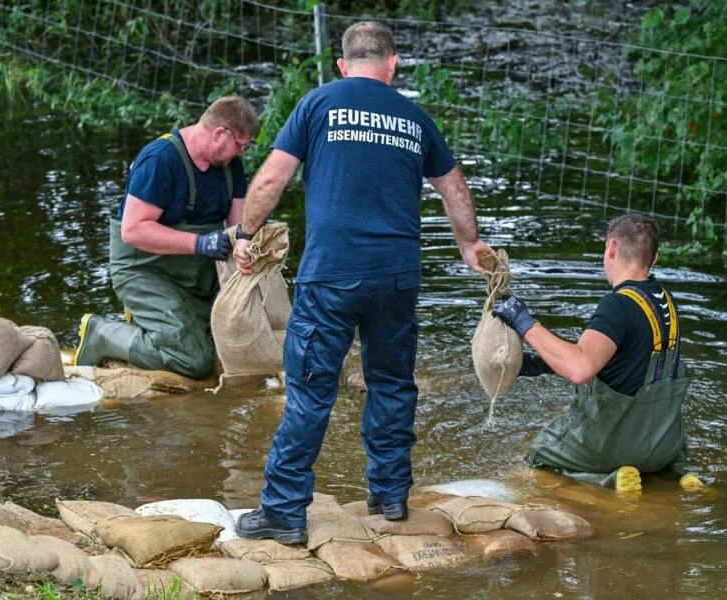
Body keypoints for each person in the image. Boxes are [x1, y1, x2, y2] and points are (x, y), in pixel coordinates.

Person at [232, 21, 491, 545]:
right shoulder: (415, 118)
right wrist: (470, 246)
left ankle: (283, 512)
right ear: (392, 64)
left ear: (343, 65)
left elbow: (270, 179)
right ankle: (391, 494)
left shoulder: (319, 104)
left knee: (309, 391)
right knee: (392, 384)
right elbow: (454, 187)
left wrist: (245, 233)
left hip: (330, 274)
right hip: (397, 277)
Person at [492, 213, 703, 492]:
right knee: (664, 447)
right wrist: (538, 363)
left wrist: (523, 321)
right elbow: (622, 360)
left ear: (612, 248)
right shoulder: (666, 299)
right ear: (655, 258)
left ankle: (612, 477)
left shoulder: (617, 305)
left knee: (540, 454)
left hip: (614, 446)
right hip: (663, 445)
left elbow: (580, 369)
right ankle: (681, 475)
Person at [73, 95, 260, 380]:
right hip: (144, 270)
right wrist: (199, 243)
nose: (241, 154)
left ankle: (152, 322)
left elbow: (239, 225)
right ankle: (103, 333)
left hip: (197, 275)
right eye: (240, 146)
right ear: (220, 133)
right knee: (193, 361)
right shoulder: (161, 160)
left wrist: (249, 244)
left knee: (231, 343)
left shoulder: (229, 166)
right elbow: (133, 230)